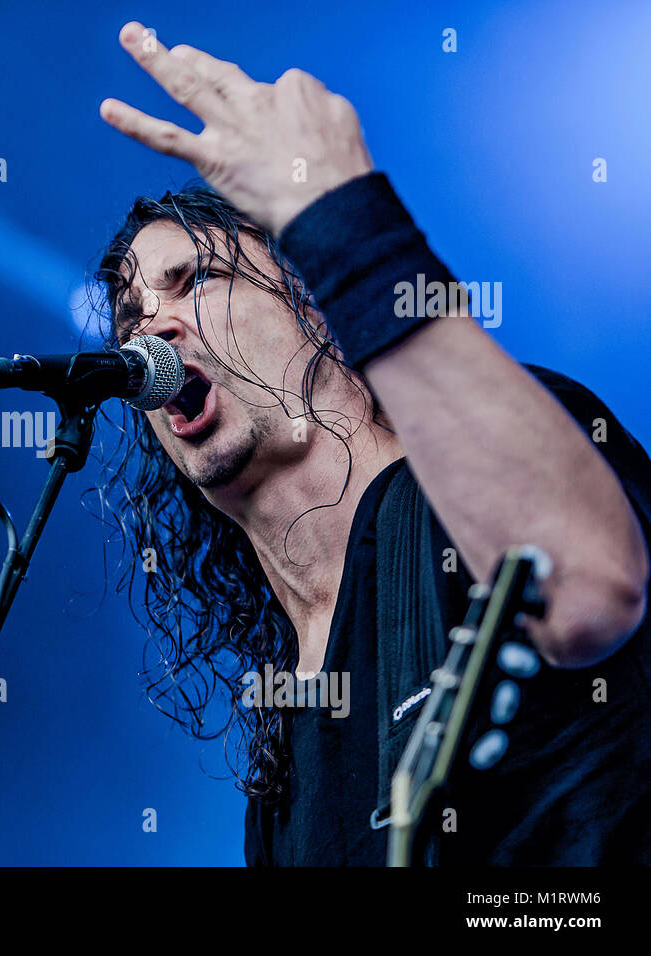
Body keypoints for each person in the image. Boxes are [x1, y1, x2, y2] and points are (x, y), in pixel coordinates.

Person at [93, 22, 651, 864]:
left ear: (316, 307)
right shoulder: (282, 752)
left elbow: (585, 588)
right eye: (132, 317)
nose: (153, 328)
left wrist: (337, 213)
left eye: (197, 280)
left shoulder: (475, 480)